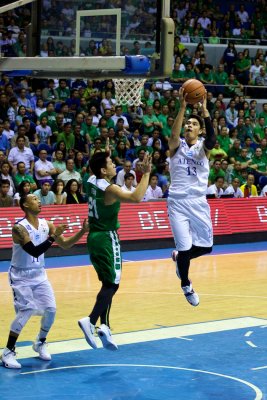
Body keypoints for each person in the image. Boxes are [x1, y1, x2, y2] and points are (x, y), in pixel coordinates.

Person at [1, 193, 88, 368]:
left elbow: (65, 245)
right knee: (27, 309)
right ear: (25, 204)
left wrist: (83, 231)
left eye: (38, 199)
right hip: (20, 275)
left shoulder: (47, 224)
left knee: (51, 309)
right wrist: (53, 237)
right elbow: (34, 251)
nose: (39, 201)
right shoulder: (19, 228)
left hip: (39, 274)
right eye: (34, 199)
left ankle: (40, 342)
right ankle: (8, 352)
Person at [78, 146, 151, 351]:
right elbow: (136, 198)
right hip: (107, 237)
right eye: (110, 164)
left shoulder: (89, 181)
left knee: (107, 284)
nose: (114, 166)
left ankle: (105, 326)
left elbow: (90, 169)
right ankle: (90, 321)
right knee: (113, 285)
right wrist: (145, 173)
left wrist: (105, 154)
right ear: (102, 170)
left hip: (93, 237)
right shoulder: (109, 189)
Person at [168, 88, 216, 307]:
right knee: (186, 247)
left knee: (206, 247)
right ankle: (186, 285)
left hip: (198, 202)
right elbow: (173, 135)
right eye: (188, 123)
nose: (189, 125)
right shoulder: (175, 147)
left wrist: (205, 113)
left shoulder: (203, 149)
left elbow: (212, 139)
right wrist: (183, 107)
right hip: (177, 202)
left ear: (200, 130)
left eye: (194, 124)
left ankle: (180, 258)